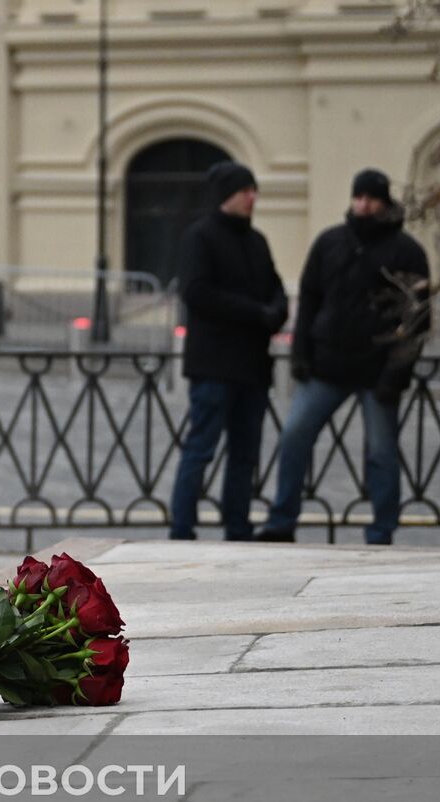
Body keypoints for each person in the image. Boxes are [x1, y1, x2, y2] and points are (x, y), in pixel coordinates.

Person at [255, 168, 430, 546]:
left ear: (384, 202)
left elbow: (417, 320)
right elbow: (310, 298)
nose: (363, 204)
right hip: (326, 364)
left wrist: (395, 376)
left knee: (382, 453)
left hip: (379, 370)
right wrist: (301, 352)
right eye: (359, 196)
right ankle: (282, 520)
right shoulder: (330, 242)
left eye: (371, 197)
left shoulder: (407, 250)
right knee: (294, 437)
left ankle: (382, 530)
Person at [168, 161, 288, 541]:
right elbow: (198, 292)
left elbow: (275, 286)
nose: (252, 198)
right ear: (226, 196)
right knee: (200, 448)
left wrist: (277, 311)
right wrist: (257, 313)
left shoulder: (257, 241)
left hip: (252, 366)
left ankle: (238, 526)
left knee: (245, 453)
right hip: (214, 365)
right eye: (245, 191)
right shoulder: (200, 237)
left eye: (254, 190)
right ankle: (182, 527)